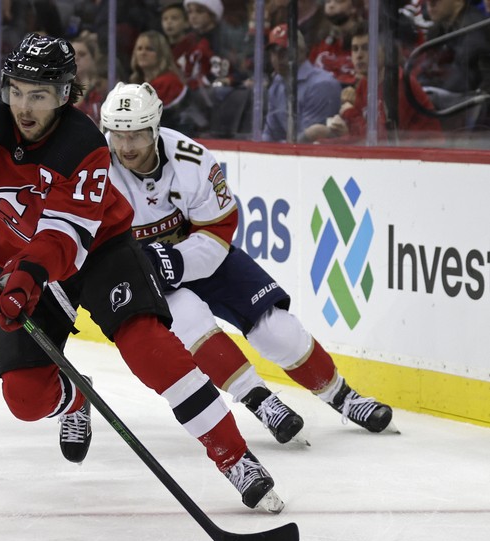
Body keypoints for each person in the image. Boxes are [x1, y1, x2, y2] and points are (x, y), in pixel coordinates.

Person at [0, 33, 284, 513]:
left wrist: (24, 280)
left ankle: (235, 456)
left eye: (39, 95)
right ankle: (75, 398)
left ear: (65, 95)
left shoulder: (83, 144)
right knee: (24, 398)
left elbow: (63, 241)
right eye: (17, 91)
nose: (24, 107)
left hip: (97, 252)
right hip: (22, 265)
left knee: (148, 346)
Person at [98, 81, 396, 444]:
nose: (127, 147)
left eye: (138, 136)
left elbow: (218, 230)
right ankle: (261, 401)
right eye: (118, 135)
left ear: (156, 127)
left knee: (278, 329)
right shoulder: (97, 172)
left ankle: (342, 396)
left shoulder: (192, 160)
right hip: (147, 273)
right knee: (192, 322)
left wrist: (174, 260)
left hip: (199, 253)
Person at [302, 22, 444, 144]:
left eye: (366, 48)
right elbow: (357, 133)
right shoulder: (365, 83)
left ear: (384, 51)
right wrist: (329, 136)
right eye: (355, 49)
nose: (359, 55)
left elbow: (383, 138)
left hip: (424, 161)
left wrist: (349, 113)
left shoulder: (398, 83)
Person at [262, 23, 342, 143]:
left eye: (283, 51)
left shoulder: (321, 85)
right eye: (273, 52)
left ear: (301, 51)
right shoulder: (277, 84)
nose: (278, 57)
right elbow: (270, 134)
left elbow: (309, 141)